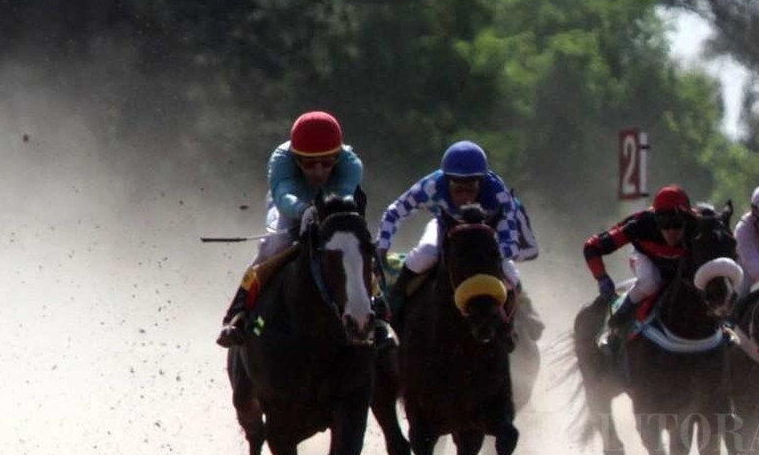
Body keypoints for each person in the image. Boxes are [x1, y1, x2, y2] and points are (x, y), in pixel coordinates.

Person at [217, 111, 396, 349]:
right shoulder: (281, 159)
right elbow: (284, 195)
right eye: (309, 164)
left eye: (327, 162)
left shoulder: (351, 163)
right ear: (295, 158)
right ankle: (237, 315)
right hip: (289, 209)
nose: (319, 171)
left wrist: (323, 215)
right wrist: (302, 210)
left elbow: (342, 195)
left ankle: (380, 317)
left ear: (338, 156)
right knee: (272, 247)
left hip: (333, 209)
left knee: (353, 251)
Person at [375, 140, 542, 343]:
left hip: (484, 235)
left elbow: (509, 239)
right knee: (425, 253)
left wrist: (491, 258)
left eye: (470, 188)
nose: (464, 196)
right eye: (457, 188)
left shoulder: (498, 192)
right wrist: (382, 245)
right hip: (446, 229)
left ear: (481, 182)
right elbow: (395, 212)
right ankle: (392, 312)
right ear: (447, 181)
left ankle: (515, 321)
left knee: (509, 272)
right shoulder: (431, 186)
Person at [583, 184, 693, 354]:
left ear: (688, 219)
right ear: (656, 220)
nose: (671, 232)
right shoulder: (641, 224)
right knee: (651, 281)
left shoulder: (698, 227)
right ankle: (615, 328)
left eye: (677, 224)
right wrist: (601, 277)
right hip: (645, 257)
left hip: (682, 261)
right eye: (664, 224)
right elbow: (592, 246)